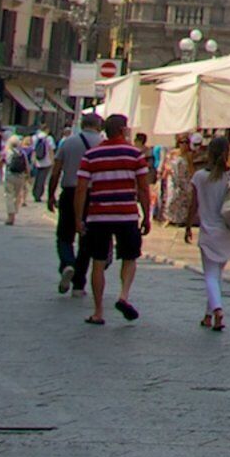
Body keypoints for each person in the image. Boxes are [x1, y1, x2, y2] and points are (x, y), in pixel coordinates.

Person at [77, 113, 152, 324]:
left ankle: (98, 311)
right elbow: (144, 188)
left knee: (98, 262)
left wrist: (77, 218)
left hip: (98, 215)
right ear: (122, 130)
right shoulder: (135, 155)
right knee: (129, 257)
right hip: (126, 214)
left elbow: (81, 190)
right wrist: (146, 216)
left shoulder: (91, 155)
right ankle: (123, 296)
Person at [189, 137, 230, 332]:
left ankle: (217, 310)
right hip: (228, 232)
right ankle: (209, 316)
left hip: (208, 232)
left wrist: (188, 226)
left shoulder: (199, 177)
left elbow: (194, 205)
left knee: (210, 275)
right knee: (217, 274)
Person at [50, 112, 95, 293]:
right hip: (93, 195)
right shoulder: (102, 144)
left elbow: (56, 171)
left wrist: (50, 193)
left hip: (70, 192)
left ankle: (68, 263)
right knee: (86, 241)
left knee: (64, 235)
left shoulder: (68, 142)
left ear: (82, 124)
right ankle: (79, 284)